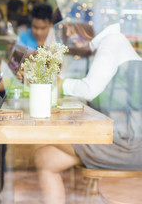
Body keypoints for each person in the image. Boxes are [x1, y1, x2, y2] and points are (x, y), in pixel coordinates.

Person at [33, 23, 142, 204]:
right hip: (126, 141)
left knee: (51, 138)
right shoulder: (114, 43)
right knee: (44, 158)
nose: (70, 38)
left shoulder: (110, 44)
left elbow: (88, 89)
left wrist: (58, 83)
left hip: (124, 145)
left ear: (86, 28)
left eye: (72, 31)